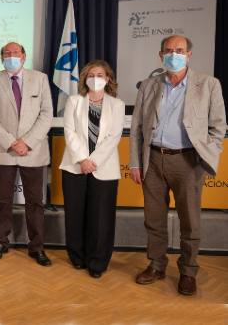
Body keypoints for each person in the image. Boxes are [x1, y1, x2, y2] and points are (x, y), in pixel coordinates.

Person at [130, 35, 226, 295]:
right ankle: (157, 264)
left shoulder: (208, 84)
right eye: (169, 50)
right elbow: (137, 127)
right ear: (161, 55)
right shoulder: (149, 85)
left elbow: (218, 126)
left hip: (188, 161)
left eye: (180, 50)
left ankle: (188, 271)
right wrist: (135, 163)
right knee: (154, 219)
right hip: (152, 159)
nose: (174, 54)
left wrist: (208, 153)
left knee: (190, 221)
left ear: (189, 55)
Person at [0, 42, 53, 266]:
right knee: (3, 200)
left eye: (15, 53)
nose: (11, 56)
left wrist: (28, 142)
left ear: (24, 56)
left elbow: (46, 114)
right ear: (1, 57)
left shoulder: (40, 79)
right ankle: (1, 242)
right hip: (5, 150)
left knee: (35, 202)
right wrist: (11, 142)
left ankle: (37, 247)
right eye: (7, 53)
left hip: (33, 151)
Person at [59, 60, 125, 278]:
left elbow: (113, 137)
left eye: (100, 74)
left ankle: (98, 262)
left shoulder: (117, 105)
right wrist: (82, 159)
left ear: (108, 79)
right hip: (75, 166)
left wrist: (93, 161)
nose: (96, 78)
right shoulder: (74, 101)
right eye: (91, 74)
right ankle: (77, 256)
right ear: (85, 78)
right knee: (75, 213)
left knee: (101, 217)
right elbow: (70, 132)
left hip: (104, 167)